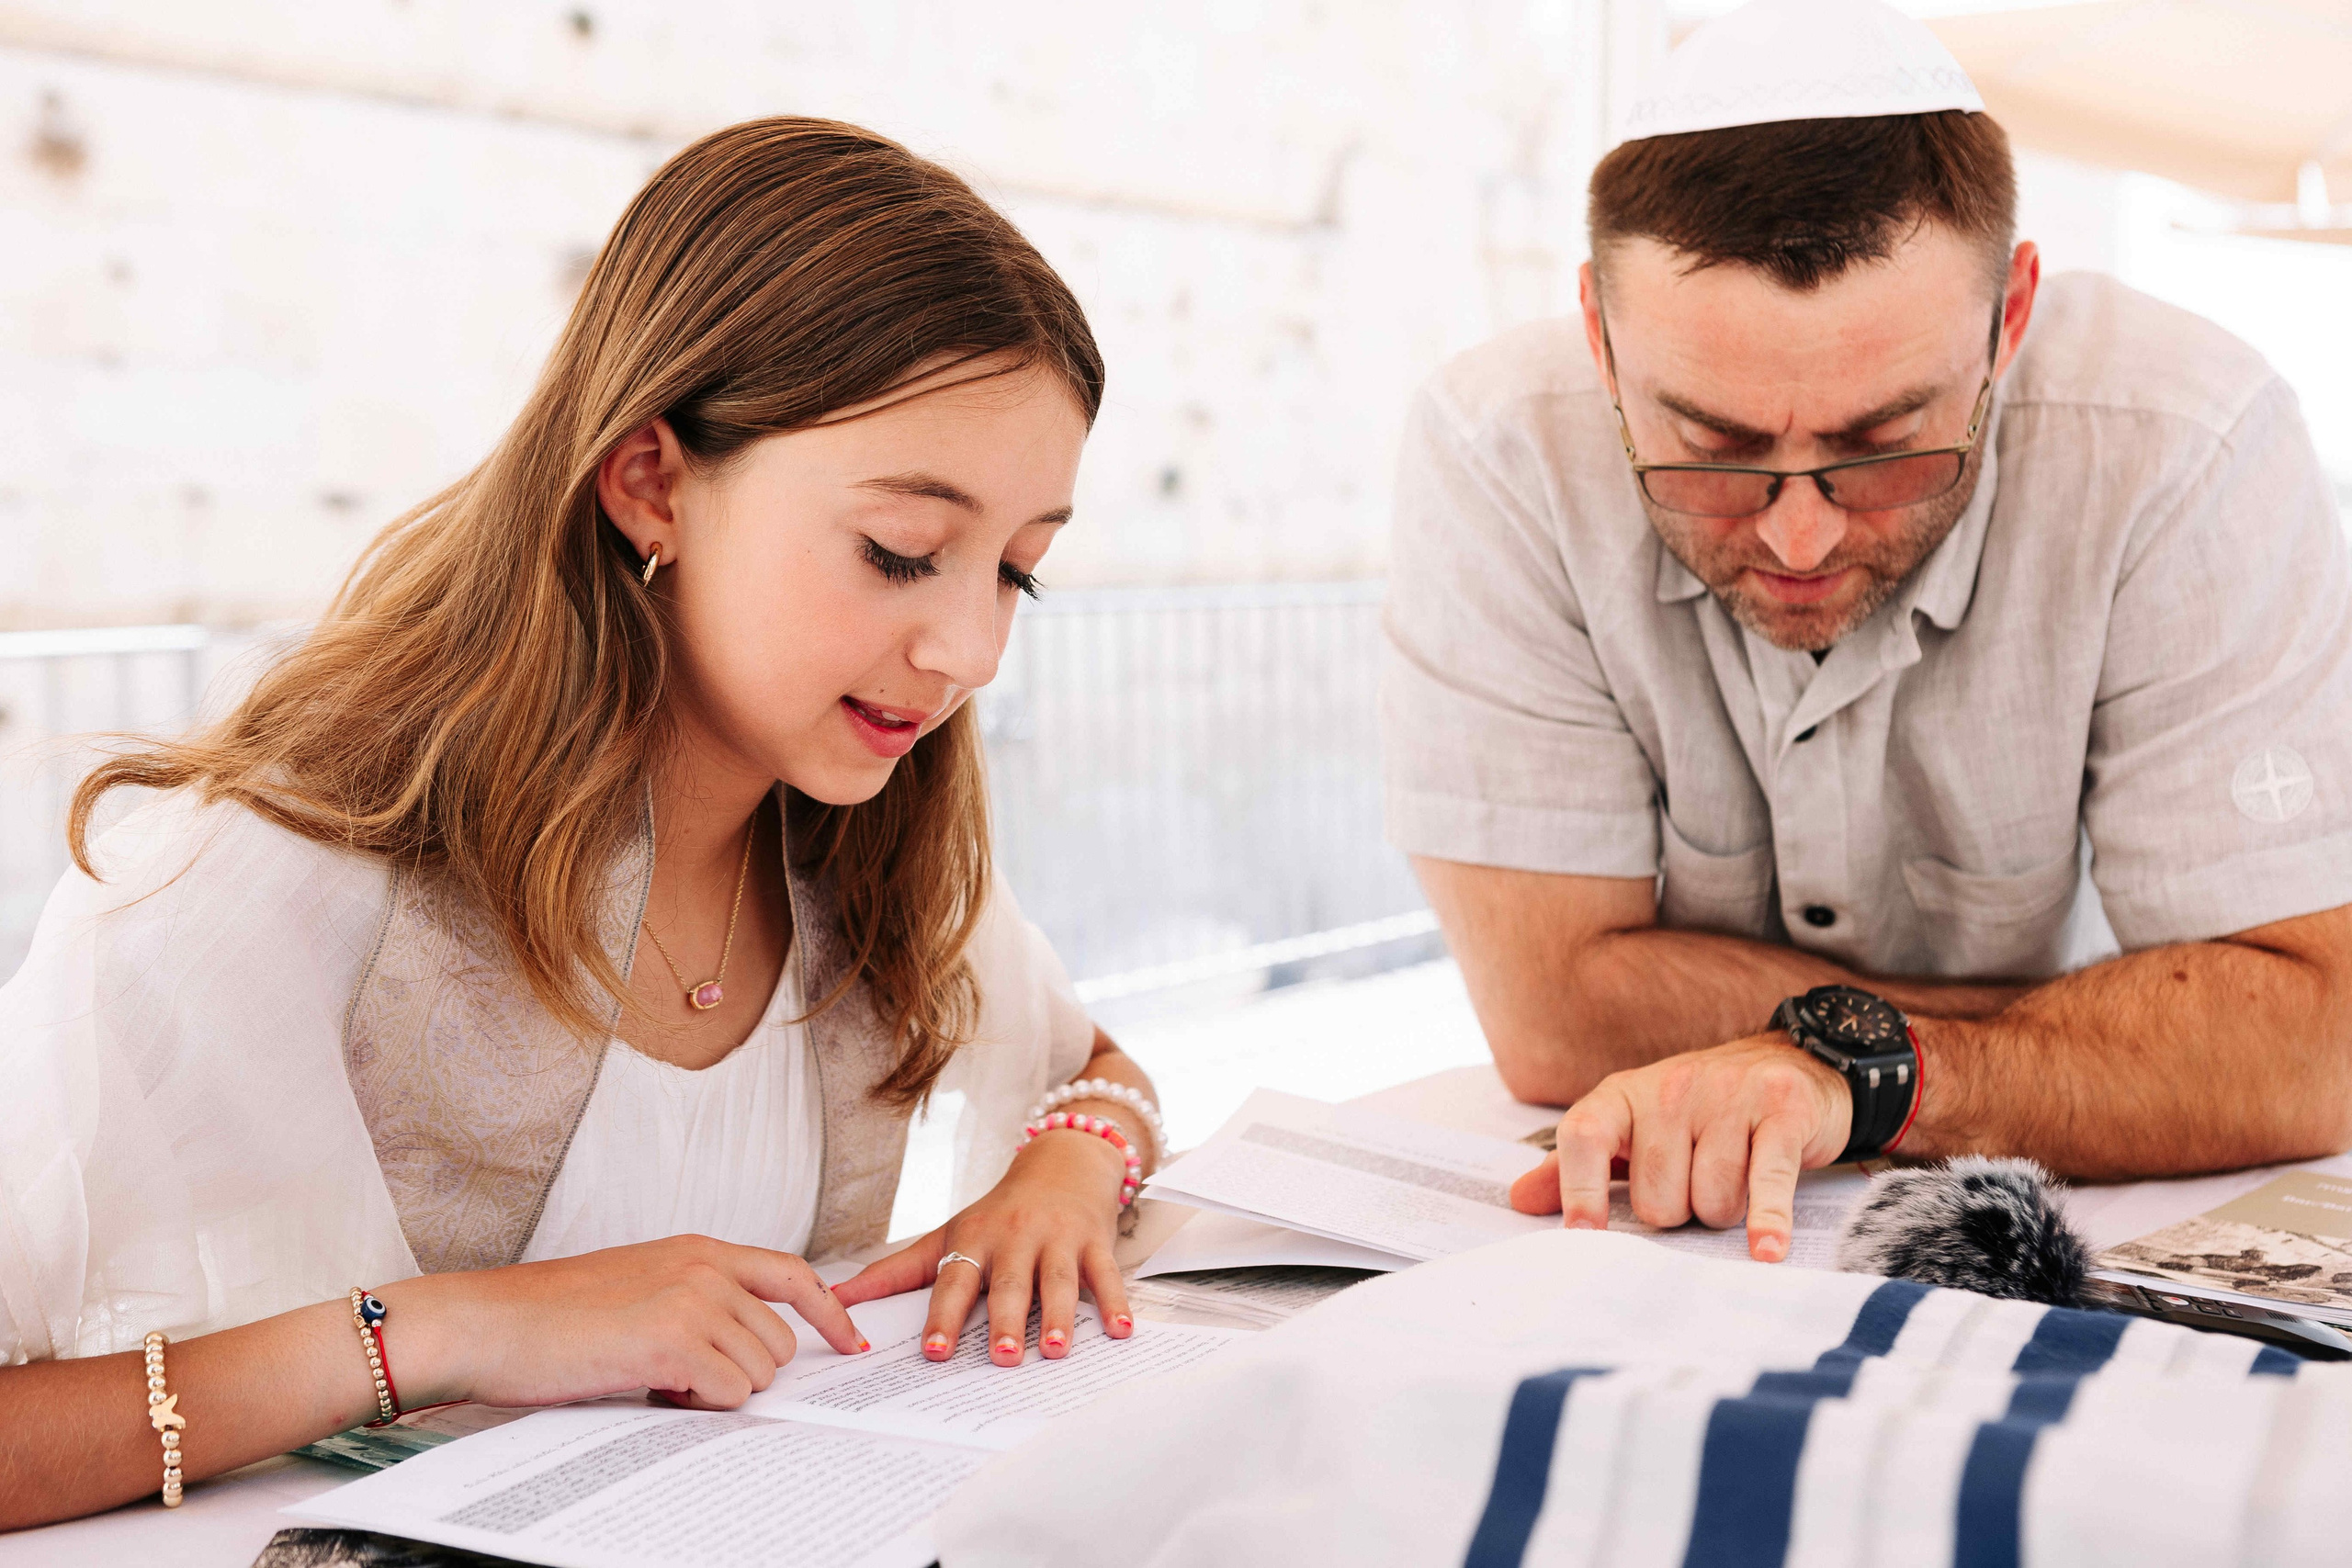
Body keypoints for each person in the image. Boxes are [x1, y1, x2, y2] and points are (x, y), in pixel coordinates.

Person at [0, 118, 1165, 1530]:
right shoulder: (263, 878)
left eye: (1018, 574)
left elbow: (1090, 1059)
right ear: (651, 480)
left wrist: (1065, 1164)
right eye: (904, 553)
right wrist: (442, 1331)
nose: (972, 651)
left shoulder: (852, 845)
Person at [1383, 0, 2352, 1264]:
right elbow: (1554, 1018)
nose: (1796, 541)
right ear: (1600, 338)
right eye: (1713, 453)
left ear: (2009, 319)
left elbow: (2313, 1044)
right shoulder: (1498, 448)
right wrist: (2121, 1039)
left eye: (1887, 447)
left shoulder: (2191, 441)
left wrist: (1862, 1072)